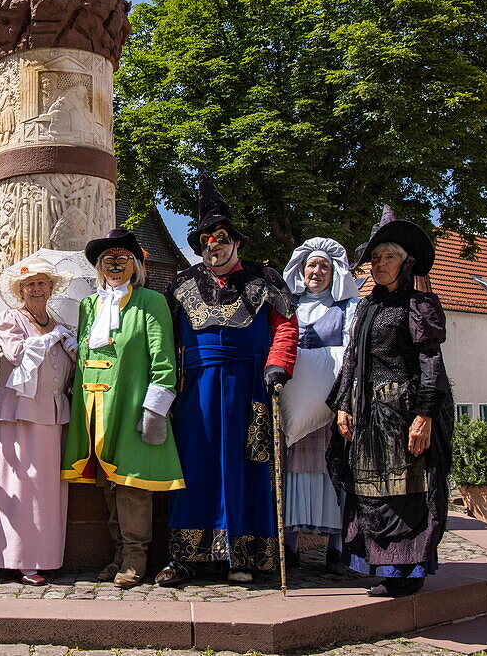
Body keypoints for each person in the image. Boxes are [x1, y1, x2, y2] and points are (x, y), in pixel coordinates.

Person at [157, 177, 298, 587]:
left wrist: (278, 366)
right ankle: (184, 558)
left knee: (246, 469)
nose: (212, 246)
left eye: (219, 238)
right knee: (192, 468)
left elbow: (286, 327)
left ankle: (245, 556)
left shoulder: (265, 278)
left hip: (249, 388)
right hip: (196, 391)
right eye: (204, 240)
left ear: (236, 242)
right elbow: (169, 337)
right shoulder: (181, 284)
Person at [327, 214, 454, 598]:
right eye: (375, 258)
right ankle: (388, 568)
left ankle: (409, 572)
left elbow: (431, 360)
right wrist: (344, 405)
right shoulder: (366, 307)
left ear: (405, 262)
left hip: (405, 412)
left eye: (389, 257)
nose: (380, 265)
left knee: (408, 493)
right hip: (369, 416)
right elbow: (351, 360)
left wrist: (425, 415)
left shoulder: (419, 304)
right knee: (372, 493)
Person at [61, 228, 183, 589]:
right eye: (108, 259)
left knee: (132, 483)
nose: (114, 265)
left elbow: (163, 360)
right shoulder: (88, 306)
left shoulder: (150, 302)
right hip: (93, 407)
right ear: (99, 267)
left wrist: (155, 410)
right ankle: (117, 552)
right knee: (107, 483)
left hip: (129, 406)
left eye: (122, 258)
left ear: (135, 265)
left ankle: (135, 555)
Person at [0, 258, 77, 585]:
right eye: (29, 284)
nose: (36, 288)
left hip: (51, 413)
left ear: (51, 289)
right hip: (18, 413)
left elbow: (65, 373)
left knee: (47, 488)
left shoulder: (59, 322)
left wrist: (74, 348)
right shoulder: (11, 318)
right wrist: (51, 339)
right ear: (20, 290)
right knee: (20, 484)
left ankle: (45, 555)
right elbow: (16, 354)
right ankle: (16, 557)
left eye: (42, 283)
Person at [278, 238, 359, 574]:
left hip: (329, 409)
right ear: (301, 269)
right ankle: (289, 544)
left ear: (334, 273)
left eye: (324, 266)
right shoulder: (287, 306)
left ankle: (333, 548)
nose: (317, 271)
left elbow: (350, 352)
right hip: (293, 408)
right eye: (312, 265)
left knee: (331, 472)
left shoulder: (346, 309)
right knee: (290, 471)